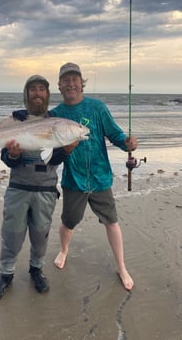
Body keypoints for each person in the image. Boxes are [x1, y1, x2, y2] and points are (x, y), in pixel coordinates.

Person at [50, 62, 138, 291]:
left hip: (100, 178)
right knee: (68, 223)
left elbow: (115, 134)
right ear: (59, 86)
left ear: (81, 83)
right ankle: (64, 250)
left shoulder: (97, 108)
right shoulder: (55, 114)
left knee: (112, 222)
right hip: (73, 180)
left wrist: (127, 143)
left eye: (74, 80)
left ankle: (121, 266)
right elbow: (51, 151)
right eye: (66, 80)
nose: (71, 84)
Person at [0, 75, 68, 302]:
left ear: (47, 95)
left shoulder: (57, 122)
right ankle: (6, 275)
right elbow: (6, 158)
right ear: (27, 94)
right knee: (11, 234)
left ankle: (36, 270)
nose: (37, 93)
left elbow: (56, 159)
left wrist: (67, 150)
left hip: (46, 189)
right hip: (18, 187)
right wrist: (12, 154)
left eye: (42, 89)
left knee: (40, 235)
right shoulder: (16, 120)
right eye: (32, 89)